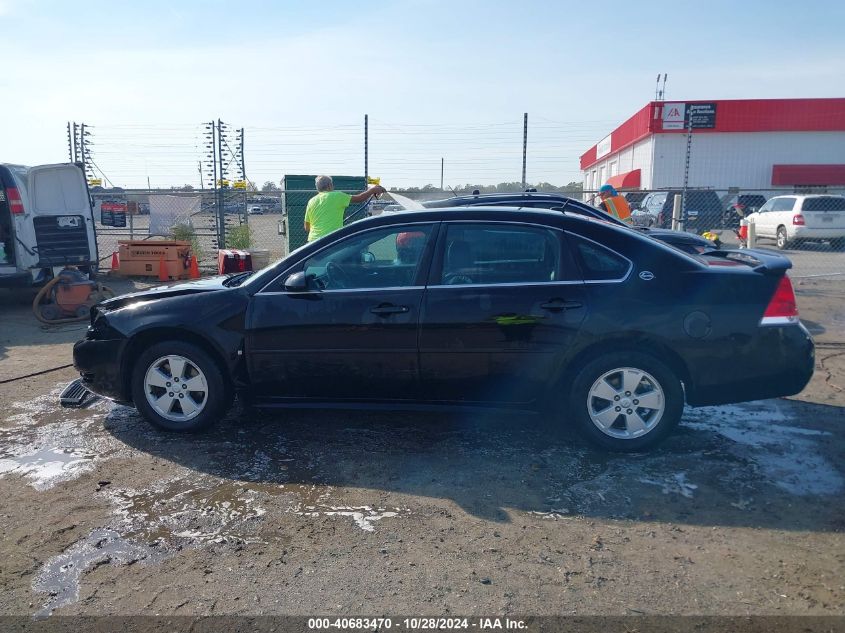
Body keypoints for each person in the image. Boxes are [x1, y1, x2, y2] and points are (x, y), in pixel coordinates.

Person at [304, 175, 386, 242]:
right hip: (330, 240)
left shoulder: (311, 201)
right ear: (329, 185)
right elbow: (359, 198)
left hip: (312, 242)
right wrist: (373, 190)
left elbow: (307, 227)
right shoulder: (337, 196)